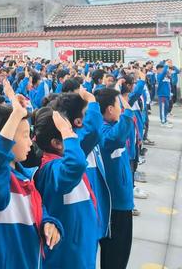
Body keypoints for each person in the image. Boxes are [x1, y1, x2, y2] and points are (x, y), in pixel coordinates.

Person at [0, 80, 62, 268]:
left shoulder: (25, 177)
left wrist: (48, 223)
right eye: (24, 136)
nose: (30, 142)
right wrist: (15, 115)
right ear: (6, 139)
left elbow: (36, 210)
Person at [34, 107, 98, 269]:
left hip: (82, 249)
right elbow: (75, 165)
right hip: (67, 256)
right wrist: (65, 130)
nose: (74, 136)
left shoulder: (62, 159)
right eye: (68, 133)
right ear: (56, 143)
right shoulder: (50, 170)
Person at [97, 88, 136, 269]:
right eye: (119, 105)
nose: (122, 109)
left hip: (123, 202)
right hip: (115, 205)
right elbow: (117, 137)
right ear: (110, 109)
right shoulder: (103, 132)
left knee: (122, 254)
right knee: (115, 256)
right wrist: (128, 114)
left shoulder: (112, 126)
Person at [156, 62, 172, 128]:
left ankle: (165, 119)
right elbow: (163, 72)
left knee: (166, 108)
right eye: (161, 69)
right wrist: (166, 65)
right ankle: (163, 122)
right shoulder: (159, 76)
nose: (163, 70)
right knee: (163, 108)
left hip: (167, 95)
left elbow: (169, 85)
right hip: (162, 95)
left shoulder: (165, 76)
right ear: (158, 69)